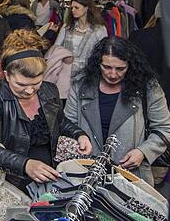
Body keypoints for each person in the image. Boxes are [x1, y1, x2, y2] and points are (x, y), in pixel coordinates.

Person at [0, 29, 92, 199]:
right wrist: (26, 165)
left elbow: (59, 121)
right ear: (7, 76)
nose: (30, 90)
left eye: (36, 83)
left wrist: (79, 134)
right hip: (10, 180)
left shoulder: (49, 90)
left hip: (45, 174)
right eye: (21, 84)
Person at [66, 37, 170, 184]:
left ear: (130, 65)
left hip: (132, 177)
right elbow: (68, 124)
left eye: (120, 69)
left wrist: (143, 152)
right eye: (107, 67)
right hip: (86, 174)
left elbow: (164, 128)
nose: (113, 74)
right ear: (98, 64)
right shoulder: (81, 85)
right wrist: (79, 137)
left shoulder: (148, 87)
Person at [54, 0, 109, 78]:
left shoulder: (99, 30)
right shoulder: (67, 27)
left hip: (89, 74)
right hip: (66, 73)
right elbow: (56, 47)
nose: (72, 10)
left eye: (76, 7)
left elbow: (104, 52)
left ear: (86, 8)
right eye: (71, 8)